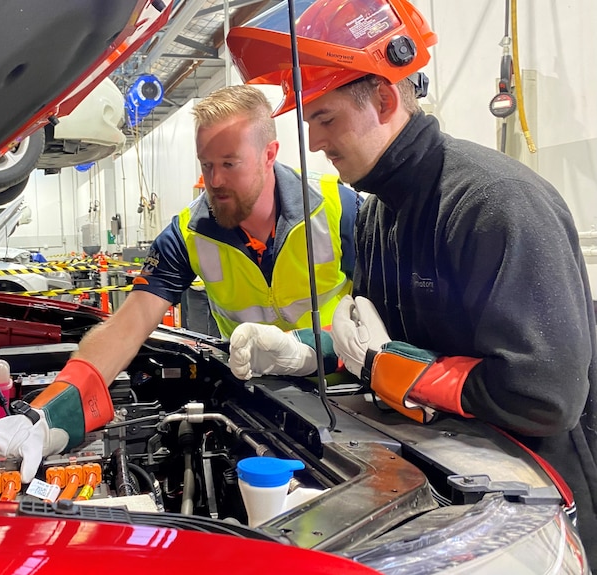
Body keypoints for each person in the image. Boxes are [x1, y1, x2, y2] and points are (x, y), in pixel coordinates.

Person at [227, 0, 597, 561]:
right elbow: (378, 339)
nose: (317, 142)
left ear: (382, 97)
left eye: (324, 119)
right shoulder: (379, 212)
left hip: (533, 510)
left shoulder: (492, 204)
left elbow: (544, 394)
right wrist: (304, 351)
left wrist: (389, 366)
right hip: (445, 483)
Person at [0, 84, 362, 494]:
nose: (215, 181)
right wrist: (44, 417)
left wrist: (308, 350)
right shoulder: (188, 234)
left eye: (229, 163)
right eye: (206, 165)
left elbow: (381, 324)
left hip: (348, 404)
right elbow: (126, 327)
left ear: (269, 154)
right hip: (258, 406)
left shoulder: (337, 210)